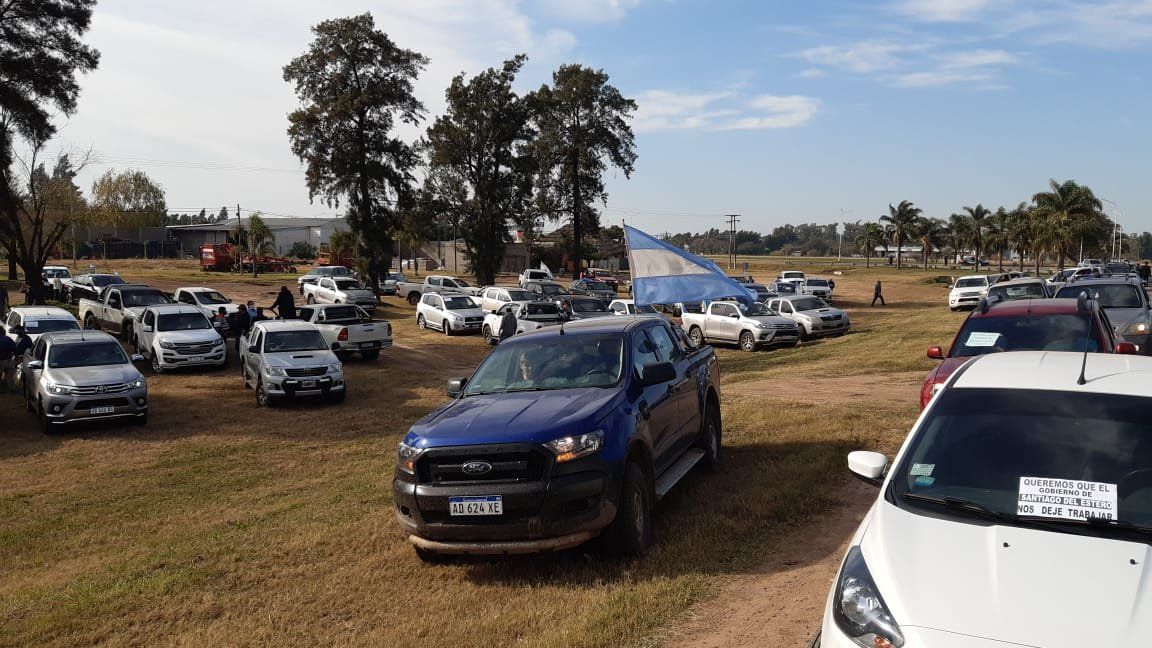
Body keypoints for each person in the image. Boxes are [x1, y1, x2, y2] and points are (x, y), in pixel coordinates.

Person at [0, 325, 17, 392]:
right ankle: (12, 390)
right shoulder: (8, 339)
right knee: (10, 377)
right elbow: (14, 348)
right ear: (3, 332)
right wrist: (15, 356)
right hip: (8, 361)